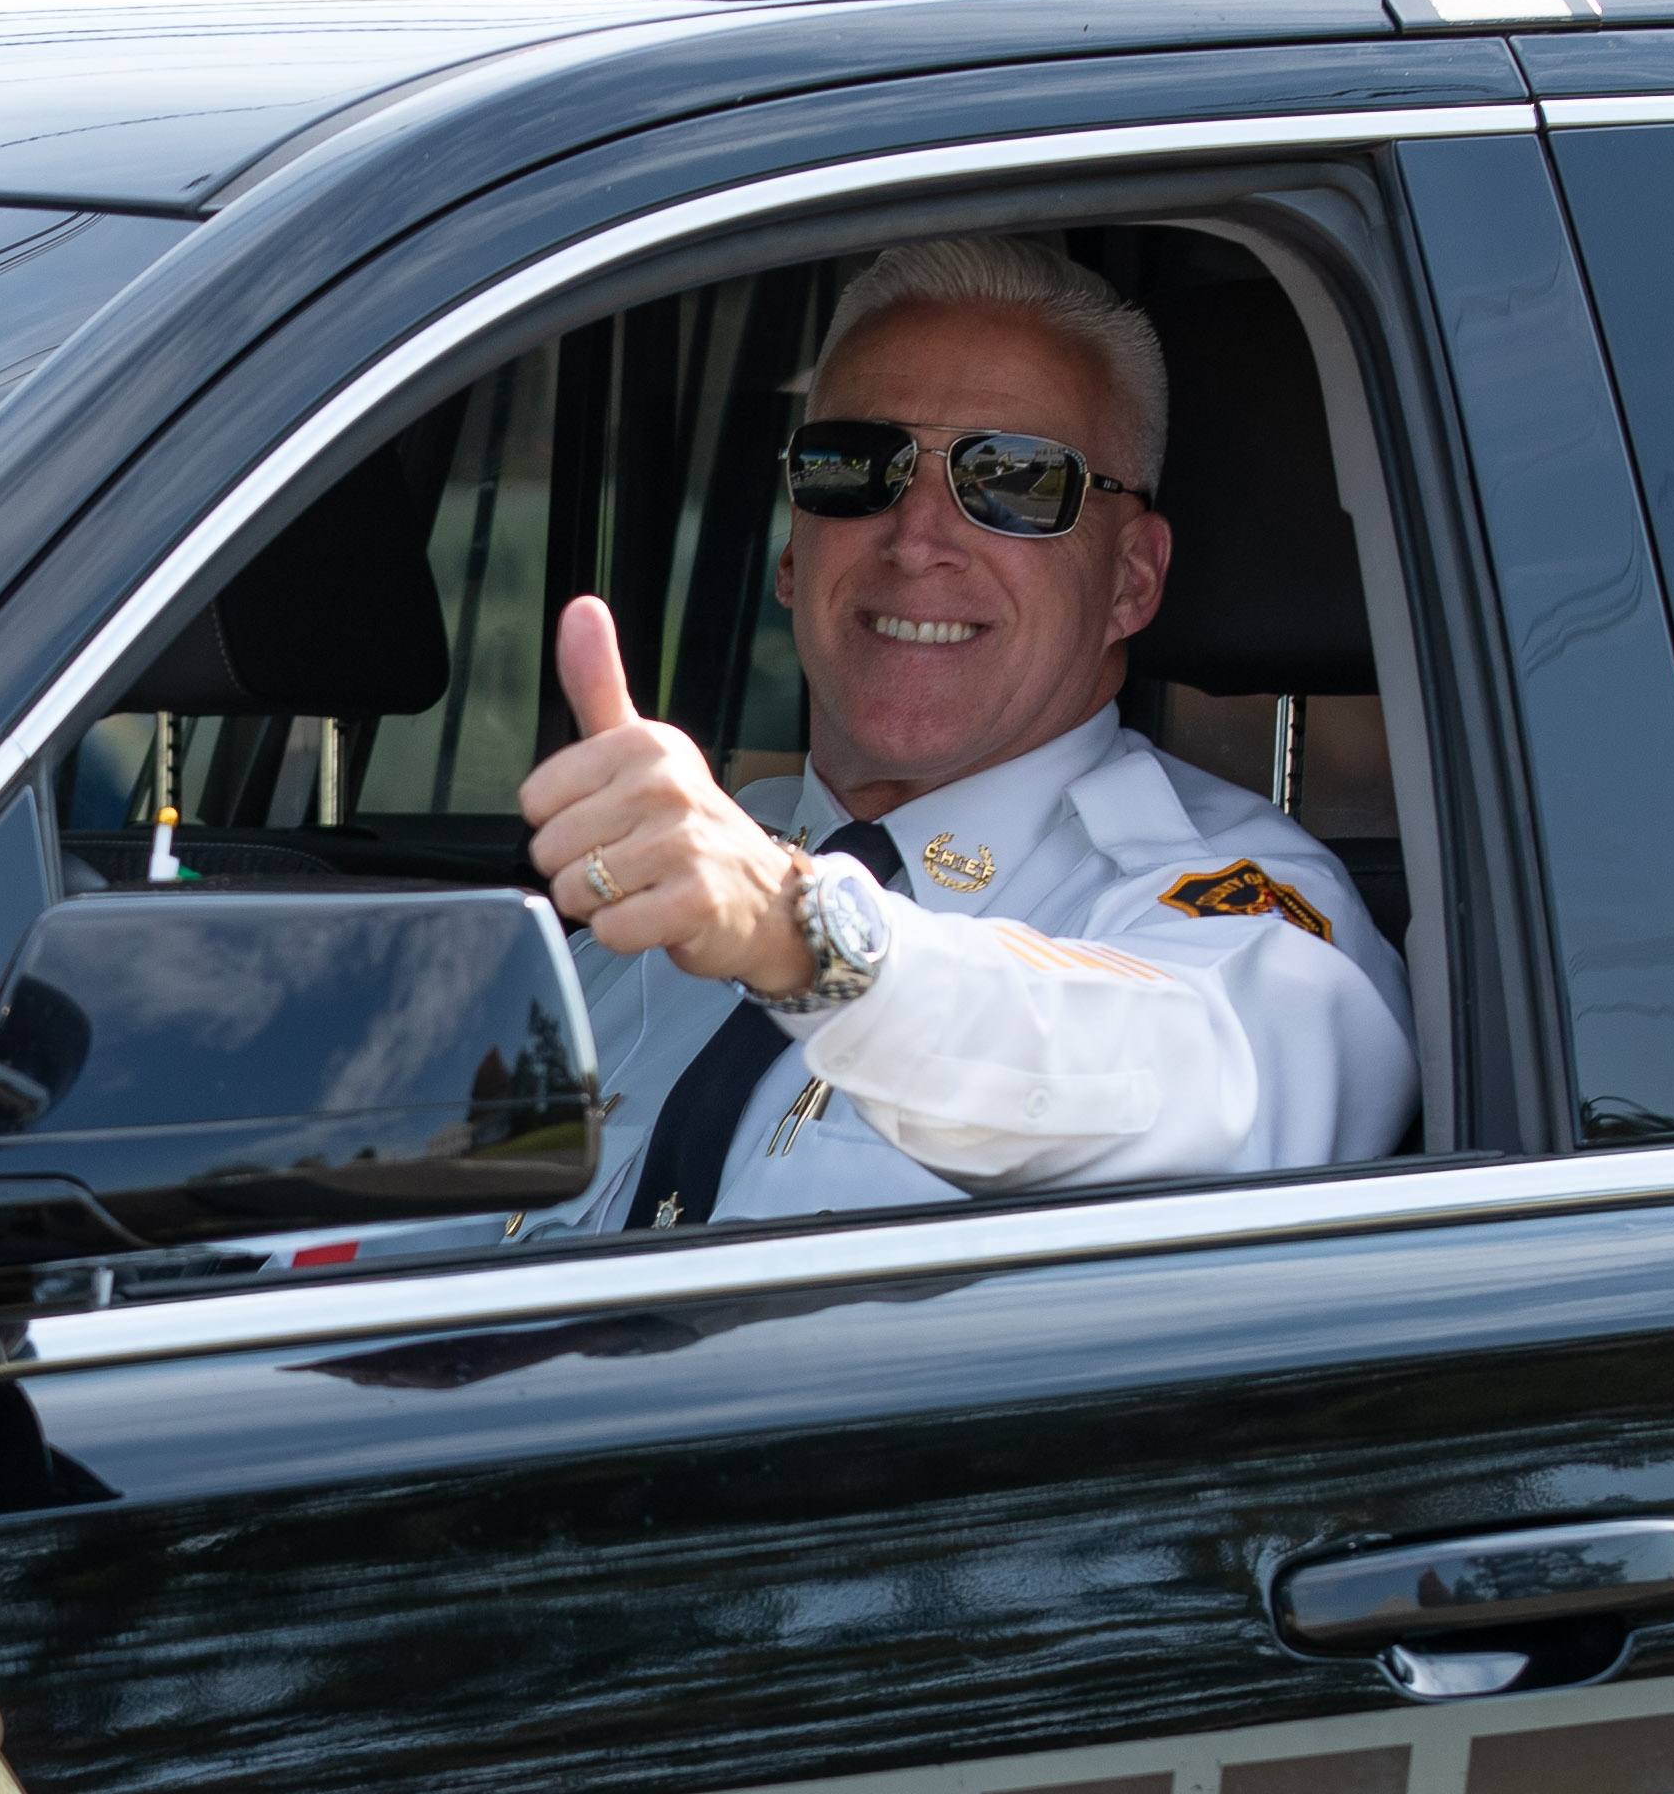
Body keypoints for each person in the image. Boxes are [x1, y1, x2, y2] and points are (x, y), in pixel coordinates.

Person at [517, 235, 1415, 1231]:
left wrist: (803, 934)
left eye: (1016, 480)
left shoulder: (1232, 910)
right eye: (857, 467)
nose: (916, 540)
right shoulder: (648, 906)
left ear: (1132, 579)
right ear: (793, 550)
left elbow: (1195, 1093)